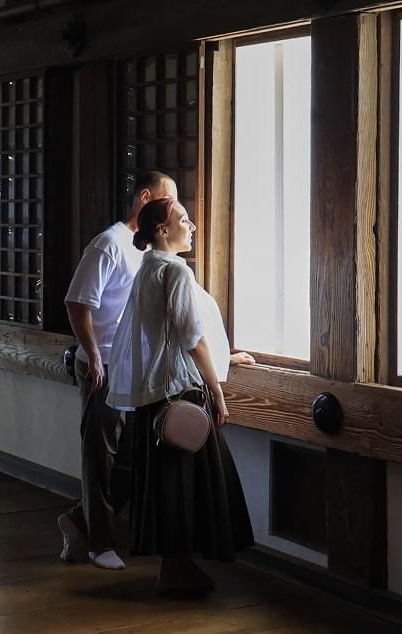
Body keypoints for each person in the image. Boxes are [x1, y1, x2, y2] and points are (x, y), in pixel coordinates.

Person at [106, 196, 255, 596]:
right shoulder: (175, 271)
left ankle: (175, 567)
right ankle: (176, 570)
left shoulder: (148, 268)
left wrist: (226, 356)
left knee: (169, 485)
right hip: (180, 393)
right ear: (162, 229)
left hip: (156, 396)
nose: (192, 226)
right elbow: (192, 337)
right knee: (185, 484)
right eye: (184, 220)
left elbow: (165, 335)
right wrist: (217, 392)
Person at [59, 170, 178, 570]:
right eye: (166, 199)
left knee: (131, 459)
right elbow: (78, 303)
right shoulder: (110, 243)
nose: (172, 208)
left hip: (134, 367)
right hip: (104, 365)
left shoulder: (151, 248)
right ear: (145, 197)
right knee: (100, 456)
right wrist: (93, 355)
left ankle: (79, 520)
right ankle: (99, 544)